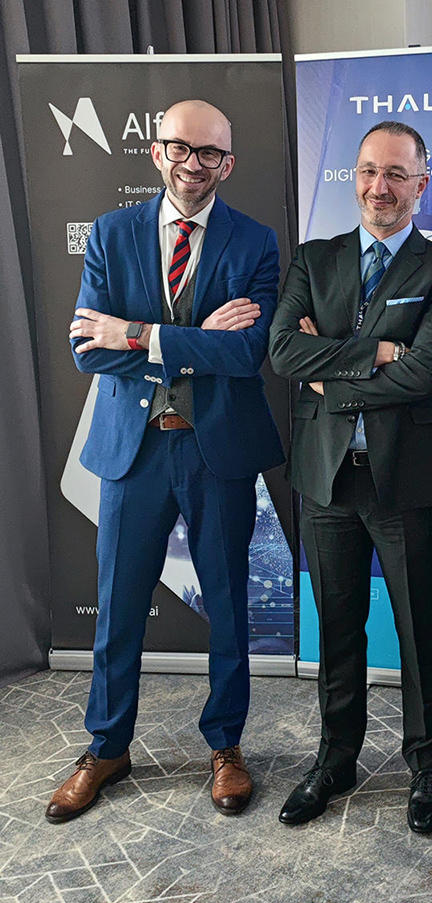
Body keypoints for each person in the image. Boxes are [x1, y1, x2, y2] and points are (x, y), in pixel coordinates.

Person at [46, 100, 284, 823]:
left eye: (210, 152)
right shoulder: (112, 236)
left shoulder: (257, 242)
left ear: (228, 164)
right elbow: (87, 347)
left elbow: (247, 353)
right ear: (156, 153)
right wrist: (184, 337)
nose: (194, 162)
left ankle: (226, 745)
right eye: (181, 147)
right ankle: (106, 746)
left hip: (219, 449)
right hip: (133, 451)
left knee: (229, 606)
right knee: (119, 606)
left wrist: (138, 333)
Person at [269, 121, 432, 834]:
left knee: (419, 628)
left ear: (420, 184)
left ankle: (427, 766)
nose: (378, 187)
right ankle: (335, 759)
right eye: (366, 172)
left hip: (404, 481)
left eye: (395, 174)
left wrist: (338, 373)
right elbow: (286, 353)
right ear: (351, 178)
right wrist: (375, 351)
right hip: (326, 478)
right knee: (338, 627)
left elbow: (426, 371)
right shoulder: (314, 259)